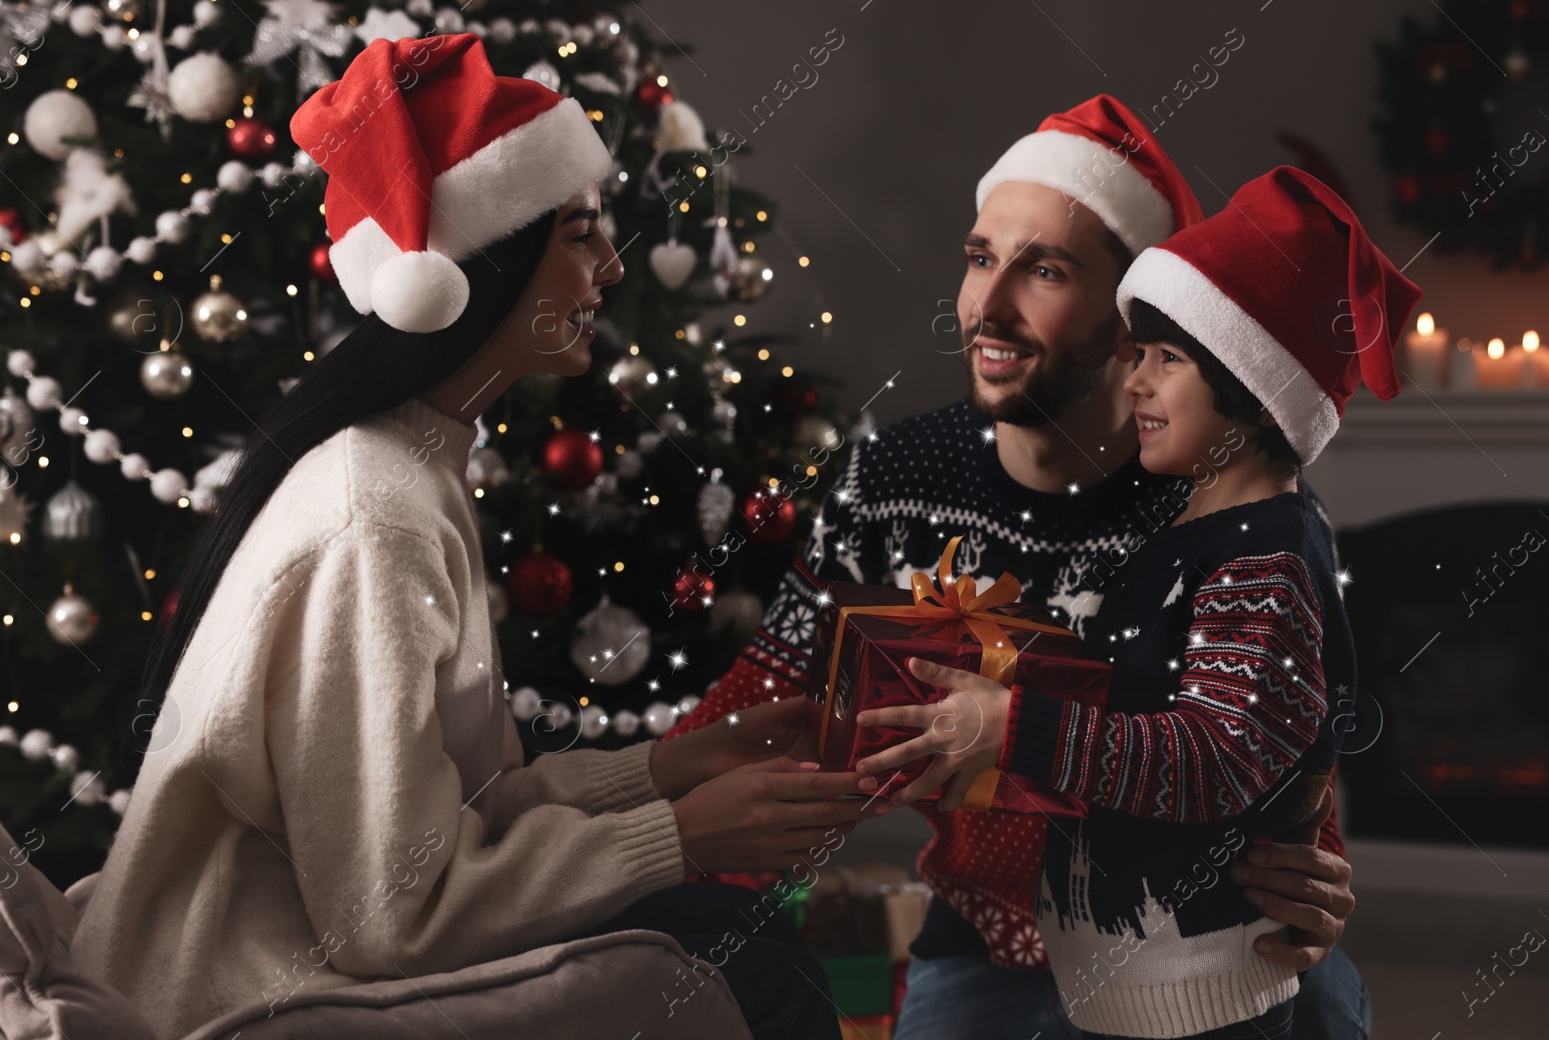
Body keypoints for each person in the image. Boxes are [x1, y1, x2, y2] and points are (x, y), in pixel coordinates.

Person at [70, 35, 883, 1040]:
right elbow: (385, 916)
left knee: (735, 936)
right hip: (257, 996)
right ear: (485, 261)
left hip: (322, 956)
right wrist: (675, 835)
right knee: (738, 955)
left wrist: (667, 769)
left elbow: (455, 812)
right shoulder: (378, 513)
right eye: (580, 234)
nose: (612, 266)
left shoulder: (413, 467)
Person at [664, 97, 1368, 1038]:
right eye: (980, 257)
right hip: (989, 939)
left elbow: (1283, 731)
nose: (986, 308)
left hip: (1195, 935)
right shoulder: (890, 483)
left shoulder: (1230, 505)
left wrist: (1314, 864)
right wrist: (655, 850)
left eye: (1044, 270)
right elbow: (772, 694)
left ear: (1133, 318)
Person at [855, 166, 1419, 1038]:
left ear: (1251, 383)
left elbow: (1240, 748)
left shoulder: (1258, 551)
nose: (1136, 380)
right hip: (1098, 960)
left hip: (1197, 976)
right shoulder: (1193, 518)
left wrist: (1015, 728)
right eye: (980, 257)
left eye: (1166, 359)